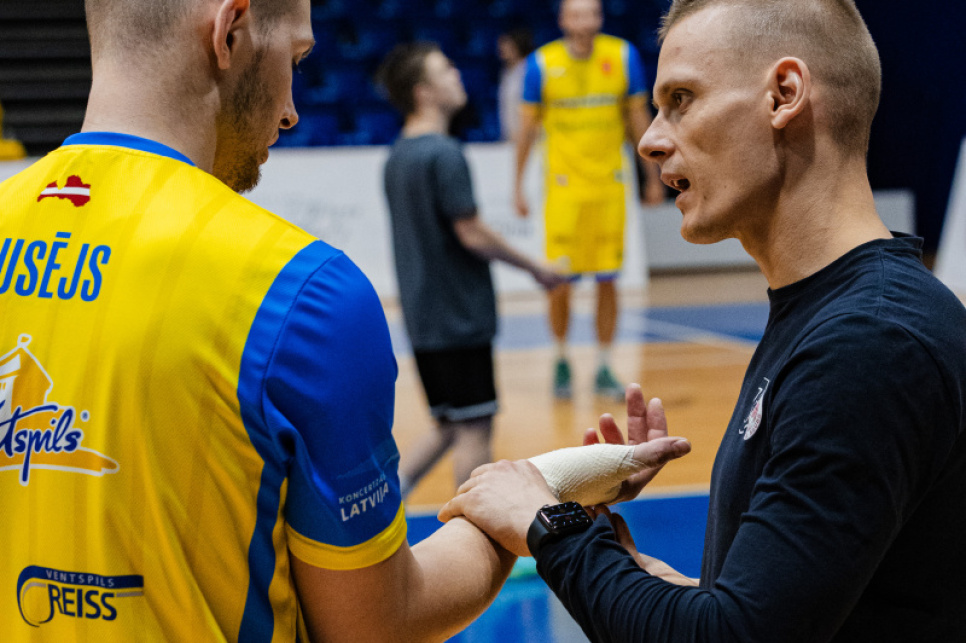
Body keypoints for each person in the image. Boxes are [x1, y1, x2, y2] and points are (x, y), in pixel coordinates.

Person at [0, 1, 586, 639]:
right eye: (295, 59)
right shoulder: (303, 291)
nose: (290, 110)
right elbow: (375, 625)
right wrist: (526, 505)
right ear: (230, 30)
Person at [440, 0, 966, 640]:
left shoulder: (870, 345)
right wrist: (639, 581)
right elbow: (783, 613)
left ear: (784, 94)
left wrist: (548, 523)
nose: (649, 139)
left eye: (681, 100)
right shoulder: (835, 316)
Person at [378, 42, 565, 497]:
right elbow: (473, 232)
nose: (457, 74)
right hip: (458, 318)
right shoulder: (444, 154)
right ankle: (476, 530)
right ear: (423, 92)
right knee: (475, 429)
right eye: (445, 69)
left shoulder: (397, 156)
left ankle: (384, 503)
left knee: (449, 424)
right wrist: (536, 267)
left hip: (425, 320)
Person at [514, 0, 665, 401]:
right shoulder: (541, 64)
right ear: (562, 19)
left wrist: (652, 176)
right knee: (559, 282)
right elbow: (526, 129)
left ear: (600, 17)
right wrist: (516, 184)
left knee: (608, 280)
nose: (585, 22)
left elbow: (638, 121)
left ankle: (603, 364)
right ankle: (561, 358)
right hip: (563, 191)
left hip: (609, 188)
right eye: (576, 14)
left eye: (592, 13)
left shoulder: (622, 56)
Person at [497, 29, 534, 141]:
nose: (501, 49)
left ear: (517, 46)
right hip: (510, 136)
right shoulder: (506, 73)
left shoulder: (530, 70)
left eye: (506, 45)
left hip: (530, 138)